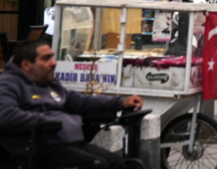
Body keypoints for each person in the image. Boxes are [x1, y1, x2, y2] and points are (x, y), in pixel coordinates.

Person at [0, 41, 145, 169]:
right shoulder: (8, 83)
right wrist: (49, 122)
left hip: (66, 143)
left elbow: (80, 102)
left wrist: (120, 102)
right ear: (26, 65)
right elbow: (4, 114)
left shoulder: (49, 82)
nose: (53, 62)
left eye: (52, 56)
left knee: (115, 163)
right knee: (96, 165)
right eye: (46, 58)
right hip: (35, 147)